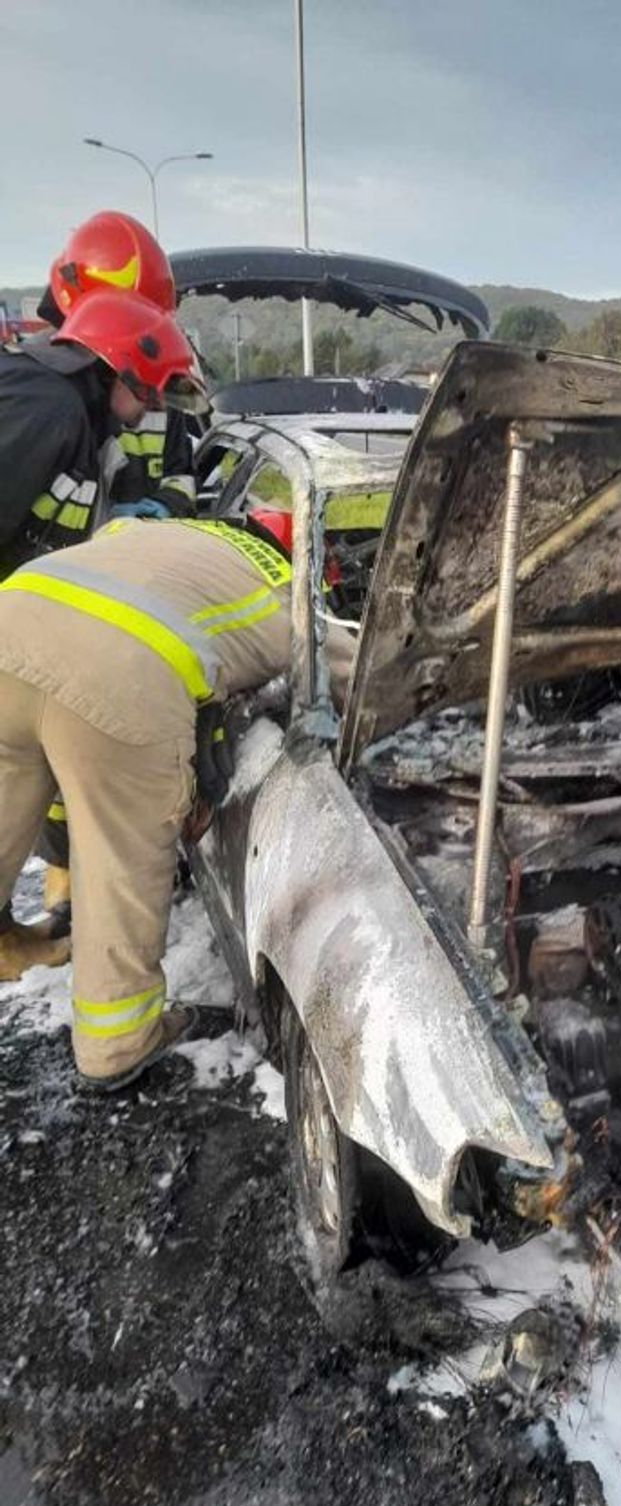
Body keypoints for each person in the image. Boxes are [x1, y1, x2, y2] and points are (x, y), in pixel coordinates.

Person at [0, 507, 354, 1090]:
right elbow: (350, 673)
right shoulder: (284, 592)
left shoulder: (162, 532)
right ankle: (116, 1043)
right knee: (121, 859)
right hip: (115, 683)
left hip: (15, 614)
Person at [0, 291, 208, 983]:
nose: (150, 408)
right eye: (146, 391)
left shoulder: (76, 411)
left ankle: (11, 936)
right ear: (115, 368)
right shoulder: (51, 407)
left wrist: (117, 515)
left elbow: (44, 511)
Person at [37, 209, 198, 519]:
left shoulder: (159, 385)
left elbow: (183, 475)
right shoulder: (55, 392)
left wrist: (163, 507)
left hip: (140, 549)